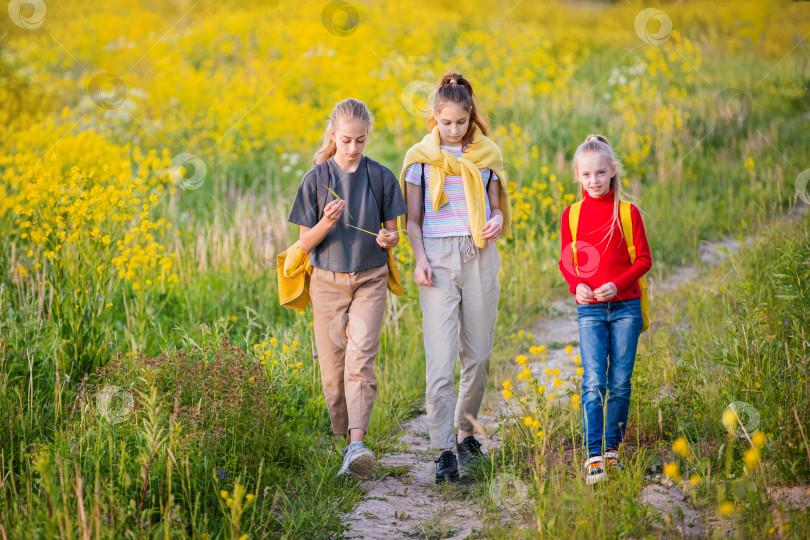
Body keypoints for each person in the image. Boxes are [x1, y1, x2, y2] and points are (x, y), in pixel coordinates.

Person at [399, 72, 511, 483]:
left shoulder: (487, 154)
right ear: (434, 118)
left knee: (478, 354)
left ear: (470, 117)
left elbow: (497, 208)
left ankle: (466, 433)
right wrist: (419, 258)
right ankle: (442, 448)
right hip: (438, 258)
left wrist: (496, 220)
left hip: (479, 255)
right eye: (445, 123)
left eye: (460, 123)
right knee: (442, 359)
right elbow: (412, 219)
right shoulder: (420, 161)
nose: (453, 130)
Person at [288, 98, 408, 479]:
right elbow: (306, 244)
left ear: (367, 137)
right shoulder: (315, 181)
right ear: (333, 137)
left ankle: (358, 444)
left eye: (360, 141)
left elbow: (394, 234)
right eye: (346, 141)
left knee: (360, 358)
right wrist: (326, 222)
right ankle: (345, 443)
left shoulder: (381, 177)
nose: (354, 149)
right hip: (326, 282)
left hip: (370, 279)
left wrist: (390, 240)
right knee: (332, 369)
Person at [558, 134, 652, 485]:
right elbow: (568, 261)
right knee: (594, 380)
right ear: (578, 177)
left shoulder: (627, 213)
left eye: (600, 173)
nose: (594, 181)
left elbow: (644, 259)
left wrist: (619, 283)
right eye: (586, 175)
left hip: (626, 306)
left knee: (620, 381)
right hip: (591, 310)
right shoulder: (573, 215)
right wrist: (576, 284)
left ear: (613, 171)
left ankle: (613, 451)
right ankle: (593, 455)